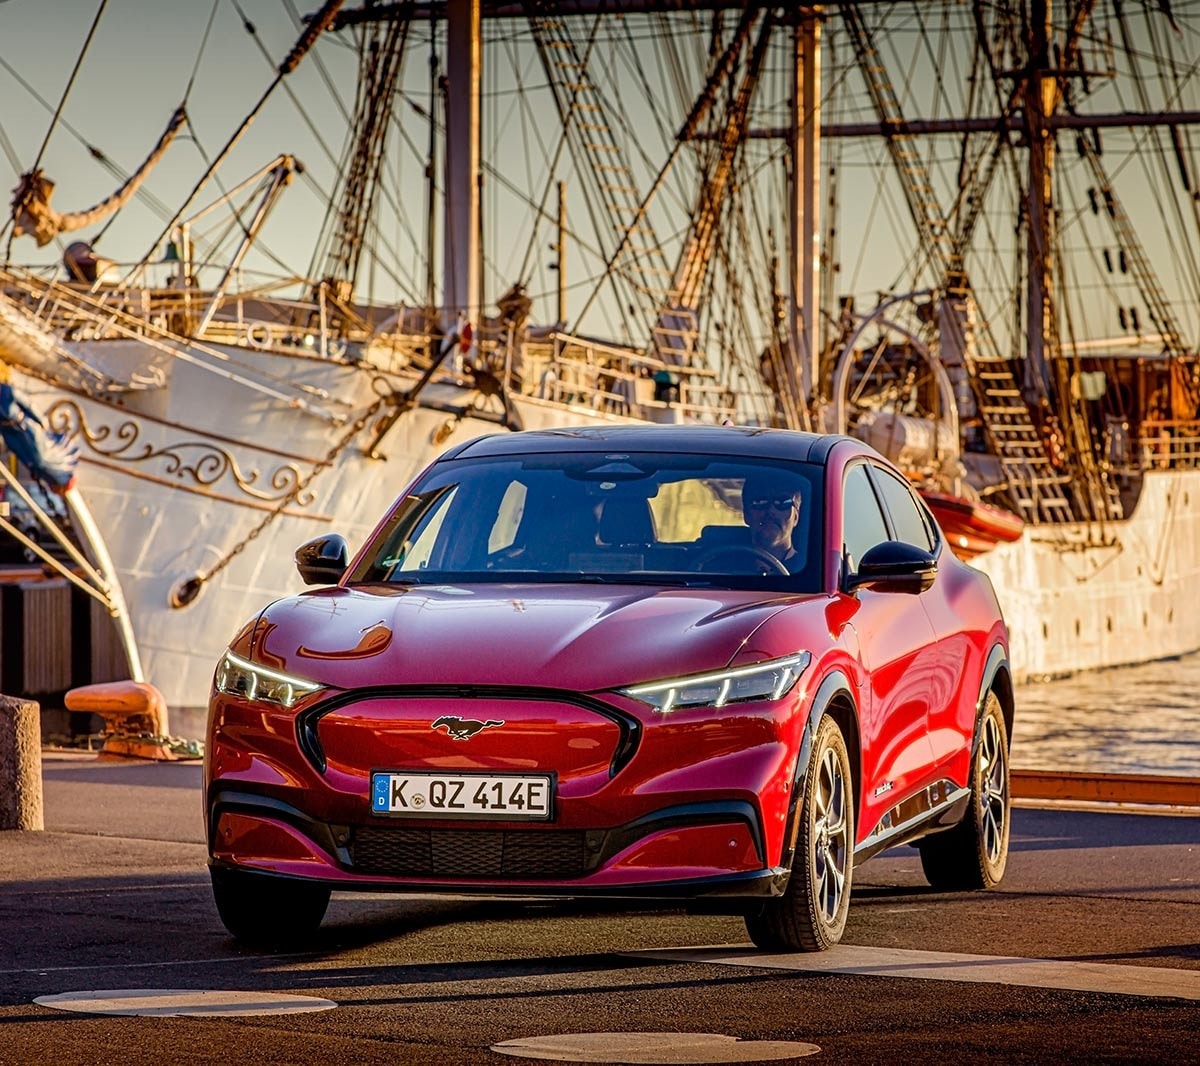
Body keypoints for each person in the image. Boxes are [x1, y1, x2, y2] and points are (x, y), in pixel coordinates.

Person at [741, 474, 803, 568]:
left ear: (796, 517)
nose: (771, 510)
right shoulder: (724, 567)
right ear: (746, 515)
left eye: (782, 502)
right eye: (760, 502)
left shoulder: (813, 571)